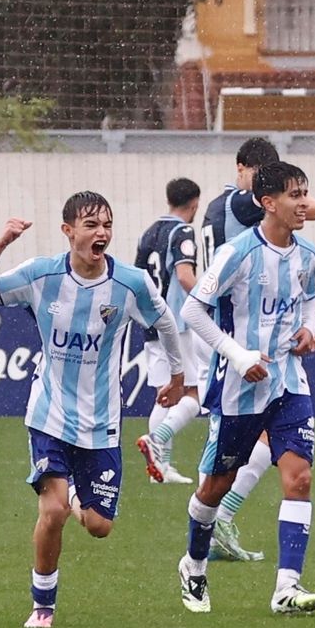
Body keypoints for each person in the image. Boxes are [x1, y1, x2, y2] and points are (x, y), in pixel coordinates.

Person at [0, 191, 186, 628]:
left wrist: (178, 376)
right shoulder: (41, 275)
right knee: (52, 511)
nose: (101, 233)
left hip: (102, 421)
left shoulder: (130, 283)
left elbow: (165, 321)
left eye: (106, 225)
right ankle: (42, 605)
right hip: (49, 413)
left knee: (99, 526)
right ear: (69, 232)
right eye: (90, 225)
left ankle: (81, 497)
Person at [175, 159, 315, 616]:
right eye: (294, 195)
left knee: (299, 478)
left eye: (305, 193)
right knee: (215, 488)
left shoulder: (308, 255)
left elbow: (310, 298)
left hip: (289, 384)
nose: (304, 204)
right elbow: (192, 311)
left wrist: (309, 330)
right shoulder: (237, 252)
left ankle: (286, 588)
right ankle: (194, 566)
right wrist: (238, 355)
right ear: (268, 202)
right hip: (239, 389)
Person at [134, 178, 205, 486]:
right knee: (195, 394)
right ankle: (157, 442)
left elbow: (139, 279)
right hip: (177, 323)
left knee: (165, 395)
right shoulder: (183, 231)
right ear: (194, 203)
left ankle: (160, 467)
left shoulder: (148, 233)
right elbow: (184, 275)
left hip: (152, 322)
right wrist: (210, 299)